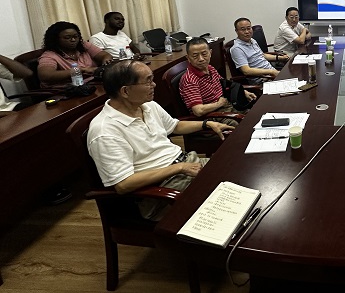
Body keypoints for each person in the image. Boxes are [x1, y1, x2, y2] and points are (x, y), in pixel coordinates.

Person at [87, 60, 235, 220]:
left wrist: (207, 124)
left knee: (237, 171)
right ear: (125, 91)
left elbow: (175, 126)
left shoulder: (148, 106)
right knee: (227, 205)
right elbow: (123, 185)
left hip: (186, 165)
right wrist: (179, 168)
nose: (154, 85)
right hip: (161, 189)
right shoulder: (104, 130)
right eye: (148, 81)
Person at [180, 37, 255, 120]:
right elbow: (198, 111)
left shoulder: (210, 68)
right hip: (212, 115)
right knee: (244, 124)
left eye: (204, 54)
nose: (201, 59)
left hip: (226, 105)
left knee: (255, 114)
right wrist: (219, 104)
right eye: (195, 56)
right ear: (188, 58)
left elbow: (225, 85)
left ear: (210, 53)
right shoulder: (189, 80)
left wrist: (243, 92)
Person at [38, 21, 113, 88]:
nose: (73, 40)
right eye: (67, 37)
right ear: (55, 39)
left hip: (91, 84)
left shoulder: (83, 45)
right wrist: (81, 70)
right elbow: (45, 75)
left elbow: (105, 55)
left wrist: (106, 61)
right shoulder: (49, 55)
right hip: (64, 91)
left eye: (75, 36)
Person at [231, 18, 288, 84]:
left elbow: (262, 55)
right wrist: (271, 72)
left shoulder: (252, 40)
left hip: (271, 73)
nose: (247, 32)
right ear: (236, 31)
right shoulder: (237, 49)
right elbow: (246, 71)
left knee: (294, 75)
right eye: (243, 29)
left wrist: (280, 58)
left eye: (249, 28)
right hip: (262, 79)